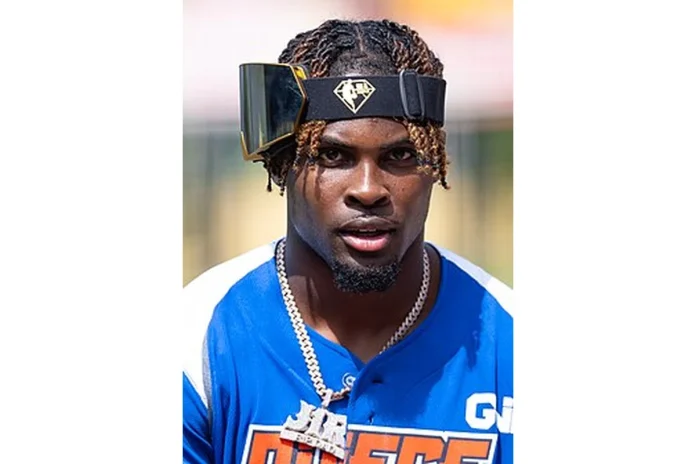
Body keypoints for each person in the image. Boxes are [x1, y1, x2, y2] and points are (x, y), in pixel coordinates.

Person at [183, 18, 513, 464]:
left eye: (400, 155)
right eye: (333, 155)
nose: (368, 189)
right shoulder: (196, 339)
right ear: (283, 165)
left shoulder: (511, 339)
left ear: (434, 165)